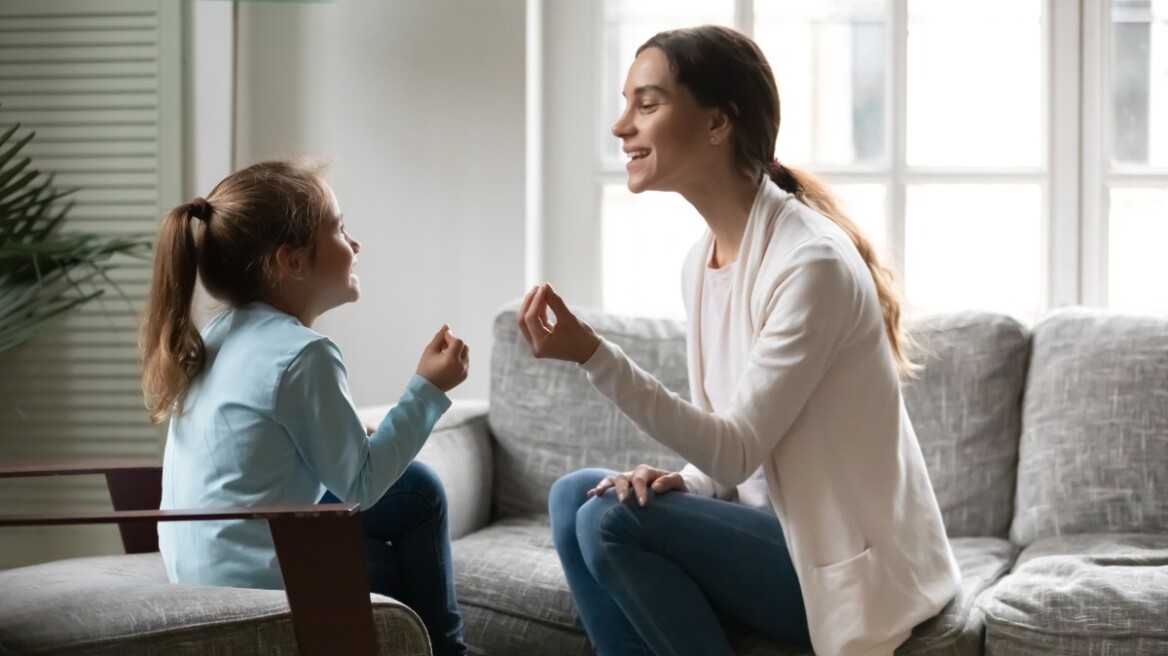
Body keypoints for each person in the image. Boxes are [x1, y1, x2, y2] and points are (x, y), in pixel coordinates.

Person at [520, 25, 959, 656]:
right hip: (769, 533)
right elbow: (738, 446)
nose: (622, 127)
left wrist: (595, 355)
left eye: (647, 104)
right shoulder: (702, 263)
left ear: (717, 124)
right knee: (576, 497)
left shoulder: (811, 263)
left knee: (610, 521)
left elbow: (737, 450)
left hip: (841, 568)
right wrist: (686, 485)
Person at [140, 160, 470, 656]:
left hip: (203, 567)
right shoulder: (304, 354)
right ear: (292, 262)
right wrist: (428, 388)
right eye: (338, 229)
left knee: (412, 494)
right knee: (418, 501)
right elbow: (359, 486)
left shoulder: (219, 334)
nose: (354, 244)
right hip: (262, 582)